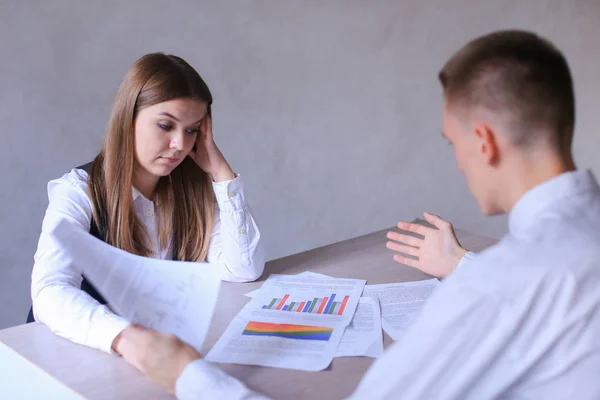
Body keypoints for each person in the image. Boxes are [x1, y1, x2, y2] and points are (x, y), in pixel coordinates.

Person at [101, 30, 600, 399]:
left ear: (484, 141)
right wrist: (465, 266)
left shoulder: (501, 284)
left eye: (452, 143)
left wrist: (190, 377)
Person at [31, 53, 265, 357]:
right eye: (166, 126)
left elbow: (242, 269)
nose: (181, 144)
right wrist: (126, 338)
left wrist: (222, 174)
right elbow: (49, 291)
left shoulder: (193, 189)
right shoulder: (78, 191)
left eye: (192, 130)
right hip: (80, 359)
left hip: (160, 357)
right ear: (128, 119)